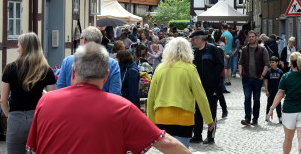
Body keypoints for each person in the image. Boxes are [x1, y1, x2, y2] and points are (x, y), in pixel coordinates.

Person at [26, 42, 190, 154]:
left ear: (73, 72)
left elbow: (33, 149)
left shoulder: (46, 102)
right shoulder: (121, 108)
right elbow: (166, 143)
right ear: (106, 76)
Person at [147, 37, 214, 148]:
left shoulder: (159, 68)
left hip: (162, 117)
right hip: (183, 118)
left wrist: (150, 120)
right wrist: (208, 119)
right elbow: (201, 96)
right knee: (181, 150)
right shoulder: (190, 69)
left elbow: (151, 97)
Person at [0, 32, 56, 154]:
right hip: (37, 120)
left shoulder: (10, 68)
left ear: (25, 48)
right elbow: (53, 99)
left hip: (16, 119)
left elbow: (3, 100)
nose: (17, 49)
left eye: (18, 46)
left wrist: (10, 116)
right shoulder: (45, 69)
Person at [266, 53, 301, 154]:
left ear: (290, 63)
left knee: (288, 139)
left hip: (289, 111)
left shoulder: (286, 76)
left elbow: (280, 94)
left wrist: (271, 109)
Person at [57, 26, 121, 95]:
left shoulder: (68, 61)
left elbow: (60, 89)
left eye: (80, 38)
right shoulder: (113, 64)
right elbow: (115, 93)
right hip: (102, 105)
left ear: (84, 40)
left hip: (72, 104)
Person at [190, 30, 224, 144]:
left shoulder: (213, 49)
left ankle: (210, 136)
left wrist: (212, 78)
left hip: (211, 87)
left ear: (200, 39)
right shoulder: (194, 52)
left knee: (211, 111)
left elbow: (220, 64)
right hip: (197, 88)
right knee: (197, 111)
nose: (192, 41)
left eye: (194, 39)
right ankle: (197, 135)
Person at [238, 30, 270, 126]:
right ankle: (247, 118)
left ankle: (255, 118)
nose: (251, 38)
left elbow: (266, 64)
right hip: (247, 78)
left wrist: (263, 75)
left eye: (253, 36)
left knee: (256, 99)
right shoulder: (244, 50)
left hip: (257, 78)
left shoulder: (262, 49)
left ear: (256, 38)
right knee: (247, 98)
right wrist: (240, 72)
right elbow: (240, 62)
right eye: (249, 36)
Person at [264, 56, 284, 124]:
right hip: (270, 91)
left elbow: (282, 83)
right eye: (270, 62)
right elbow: (266, 81)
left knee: (278, 104)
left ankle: (280, 117)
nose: (271, 63)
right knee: (269, 104)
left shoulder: (280, 72)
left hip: (277, 92)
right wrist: (266, 90)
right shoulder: (268, 71)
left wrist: (282, 92)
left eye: (273, 62)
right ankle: (267, 116)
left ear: (277, 63)